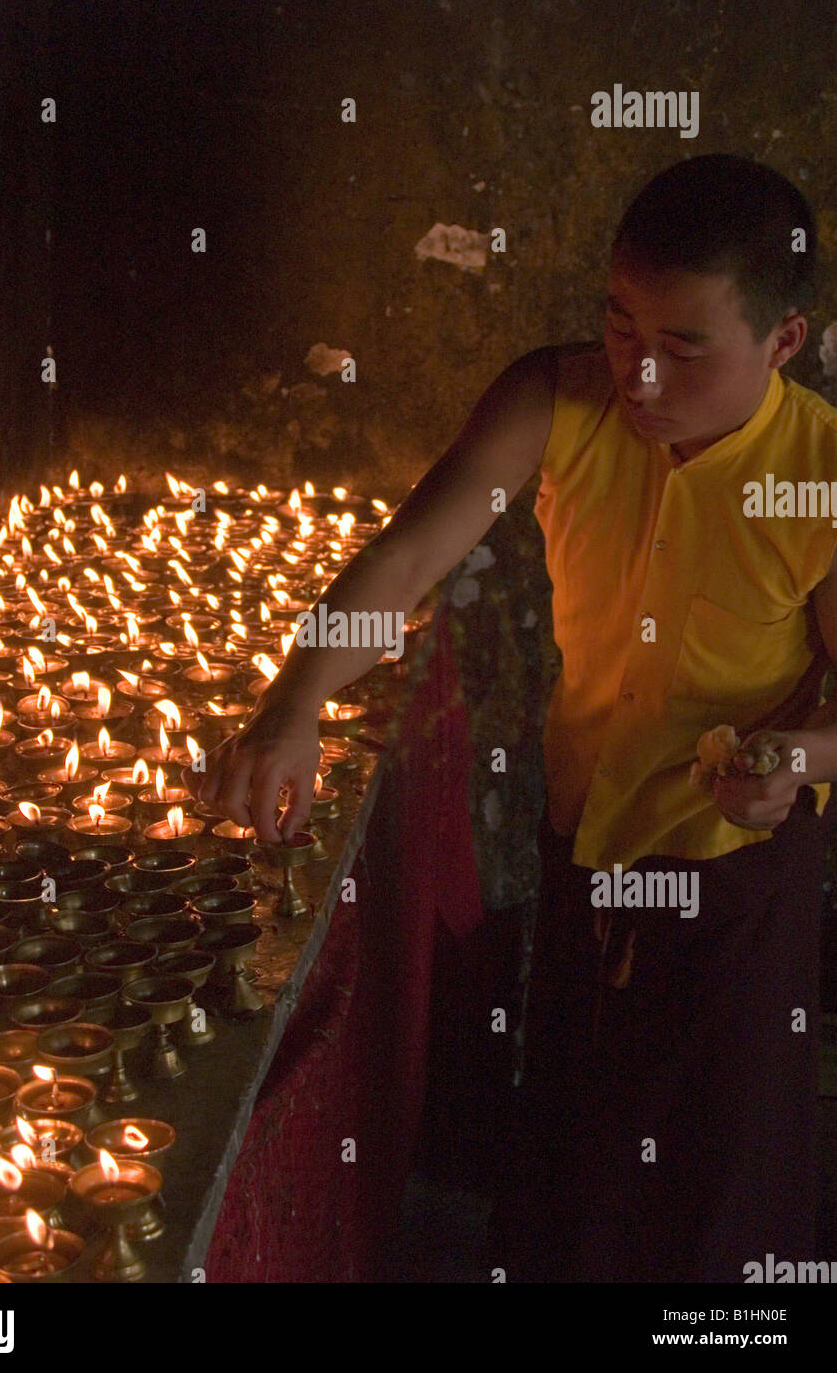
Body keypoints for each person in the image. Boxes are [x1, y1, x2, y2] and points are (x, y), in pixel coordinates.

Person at [197, 153, 837, 1282]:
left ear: (783, 341)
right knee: (569, 1164)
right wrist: (290, 703)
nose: (637, 374)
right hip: (582, 844)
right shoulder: (556, 397)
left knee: (715, 1191)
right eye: (618, 322)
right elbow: (406, 558)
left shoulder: (816, 476)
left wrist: (795, 756)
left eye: (683, 346)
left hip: (731, 866)